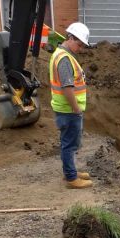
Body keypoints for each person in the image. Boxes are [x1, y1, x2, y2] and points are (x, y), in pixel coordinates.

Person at [49, 22, 91, 189]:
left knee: (69, 143)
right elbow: (67, 87)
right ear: (71, 38)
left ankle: (70, 172)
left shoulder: (62, 54)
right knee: (69, 144)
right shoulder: (64, 59)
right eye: (79, 44)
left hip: (65, 109)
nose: (80, 48)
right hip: (68, 110)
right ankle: (72, 178)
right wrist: (76, 108)